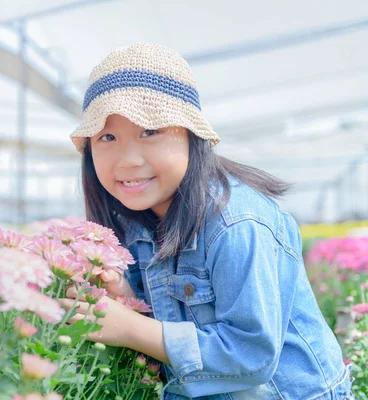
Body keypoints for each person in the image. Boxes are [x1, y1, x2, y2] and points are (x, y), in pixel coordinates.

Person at [60, 43, 353, 399]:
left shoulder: (237, 223)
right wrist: (127, 296)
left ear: (191, 135)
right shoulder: (139, 222)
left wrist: (130, 328)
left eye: (149, 132)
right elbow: (176, 325)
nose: (128, 159)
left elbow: (252, 356)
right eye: (107, 137)